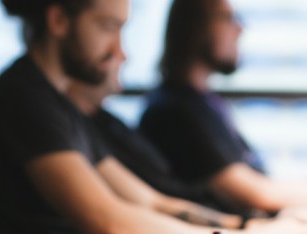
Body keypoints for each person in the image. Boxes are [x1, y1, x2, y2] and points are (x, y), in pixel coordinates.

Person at [0, 0, 307, 234]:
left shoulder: (60, 107)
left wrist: (242, 227)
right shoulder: (23, 101)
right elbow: (108, 220)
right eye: (108, 26)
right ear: (58, 20)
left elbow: (149, 202)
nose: (120, 49)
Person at [138, 0, 307, 215]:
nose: (240, 28)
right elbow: (257, 194)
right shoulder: (173, 112)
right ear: (197, 27)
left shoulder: (200, 103)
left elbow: (257, 181)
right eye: (227, 17)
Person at [66, 52, 232, 215]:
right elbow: (116, 219)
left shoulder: (105, 121)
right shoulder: (168, 108)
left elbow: (153, 202)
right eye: (108, 28)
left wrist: (236, 225)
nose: (124, 55)